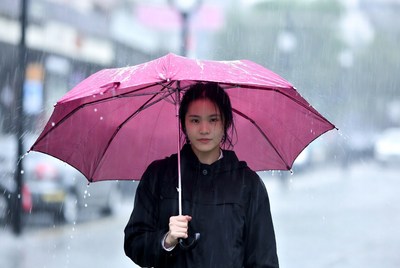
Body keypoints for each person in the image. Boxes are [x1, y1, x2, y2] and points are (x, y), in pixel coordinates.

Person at [124, 82, 279, 268]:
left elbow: (264, 260)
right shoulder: (159, 176)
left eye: (213, 120)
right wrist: (167, 240)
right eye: (195, 120)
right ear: (183, 124)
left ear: (226, 123)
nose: (204, 130)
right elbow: (134, 244)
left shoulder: (248, 184)